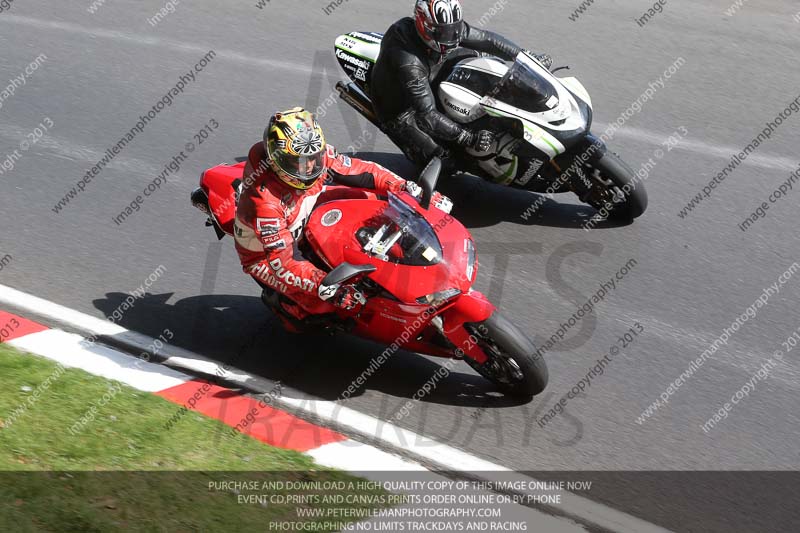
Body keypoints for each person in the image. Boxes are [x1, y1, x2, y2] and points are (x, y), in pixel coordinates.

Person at [233, 107, 451, 330]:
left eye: (314, 158)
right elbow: (284, 262)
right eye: (299, 162)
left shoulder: (314, 152)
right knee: (323, 304)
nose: (309, 167)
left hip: (305, 207)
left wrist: (407, 188)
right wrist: (323, 284)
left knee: (370, 202)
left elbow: (364, 171)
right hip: (264, 254)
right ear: (276, 160)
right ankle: (287, 308)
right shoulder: (265, 203)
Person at [371, 0, 552, 169]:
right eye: (443, 33)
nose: (450, 38)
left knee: (485, 62)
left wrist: (525, 56)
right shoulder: (408, 62)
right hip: (403, 108)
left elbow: (485, 39)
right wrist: (469, 137)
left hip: (435, 66)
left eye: (454, 30)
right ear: (423, 25)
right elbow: (428, 115)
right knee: (446, 161)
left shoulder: (446, 32)